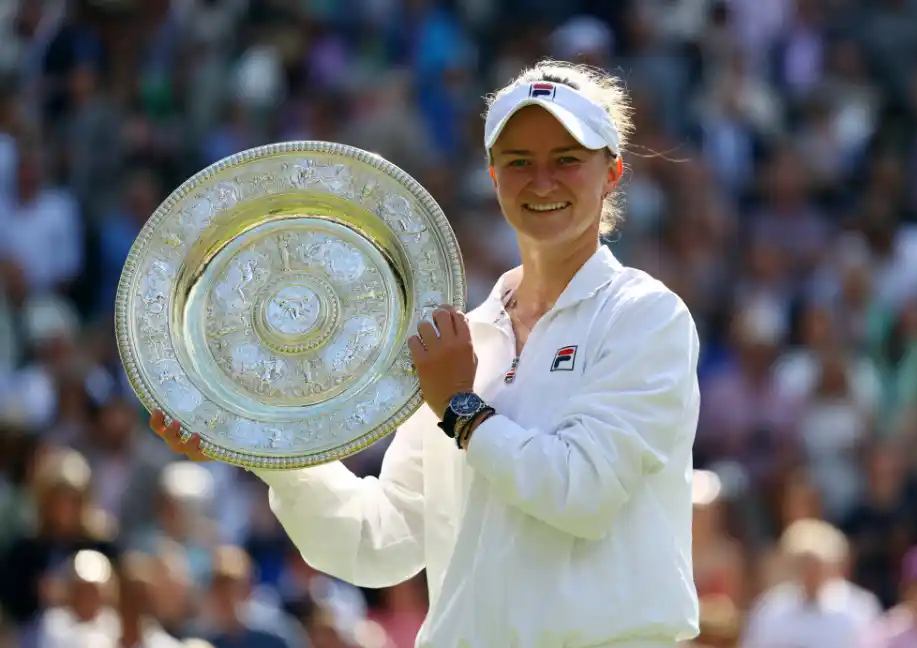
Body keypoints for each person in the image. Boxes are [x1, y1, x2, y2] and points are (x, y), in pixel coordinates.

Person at [148, 60, 703, 647]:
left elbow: (580, 493)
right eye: (519, 162)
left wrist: (461, 411)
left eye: (566, 159)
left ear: (612, 172)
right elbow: (378, 540)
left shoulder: (645, 317)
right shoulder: (459, 340)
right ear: (493, 176)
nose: (542, 181)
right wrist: (255, 438)